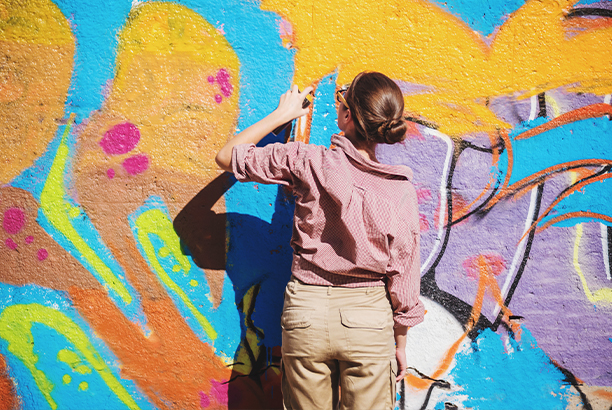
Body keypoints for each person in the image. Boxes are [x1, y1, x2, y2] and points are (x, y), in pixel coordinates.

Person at [215, 71, 424, 410]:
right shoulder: (399, 190)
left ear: (348, 116)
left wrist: (282, 115)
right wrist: (400, 341)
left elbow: (228, 156)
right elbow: (404, 271)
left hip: (307, 312)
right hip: (368, 318)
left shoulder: (307, 160)